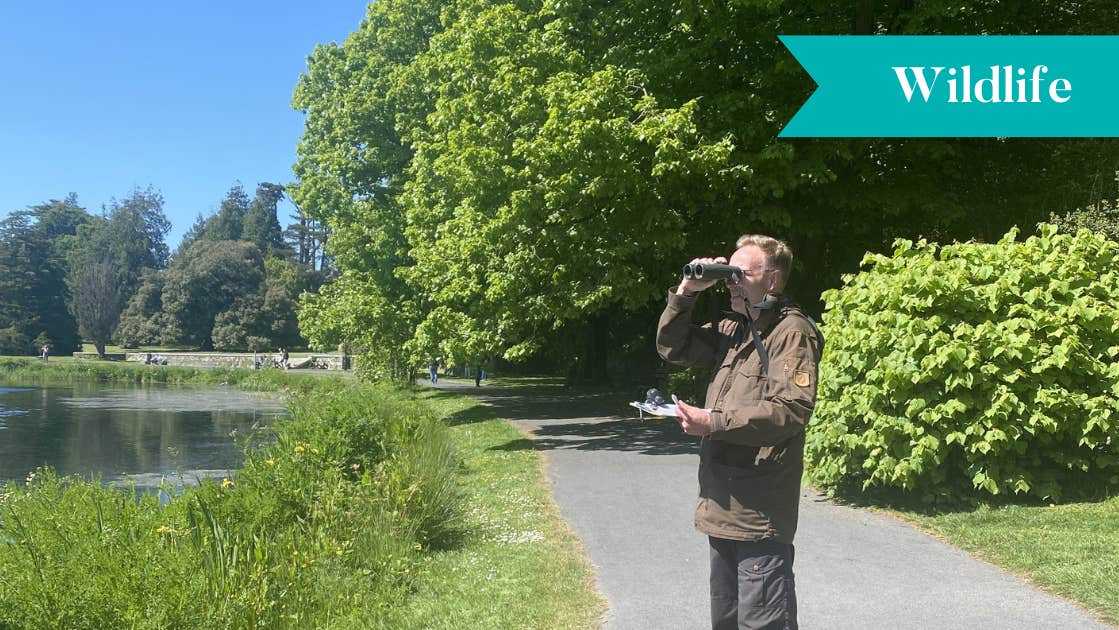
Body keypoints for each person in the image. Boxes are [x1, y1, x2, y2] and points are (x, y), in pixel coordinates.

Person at [656, 234, 823, 630]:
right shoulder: (736, 327)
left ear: (773, 280)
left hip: (759, 508)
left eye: (740, 274)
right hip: (722, 501)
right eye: (728, 274)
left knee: (762, 621)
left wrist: (713, 421)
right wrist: (687, 292)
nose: (731, 282)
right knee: (727, 618)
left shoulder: (791, 332)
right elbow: (674, 348)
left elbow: (790, 410)